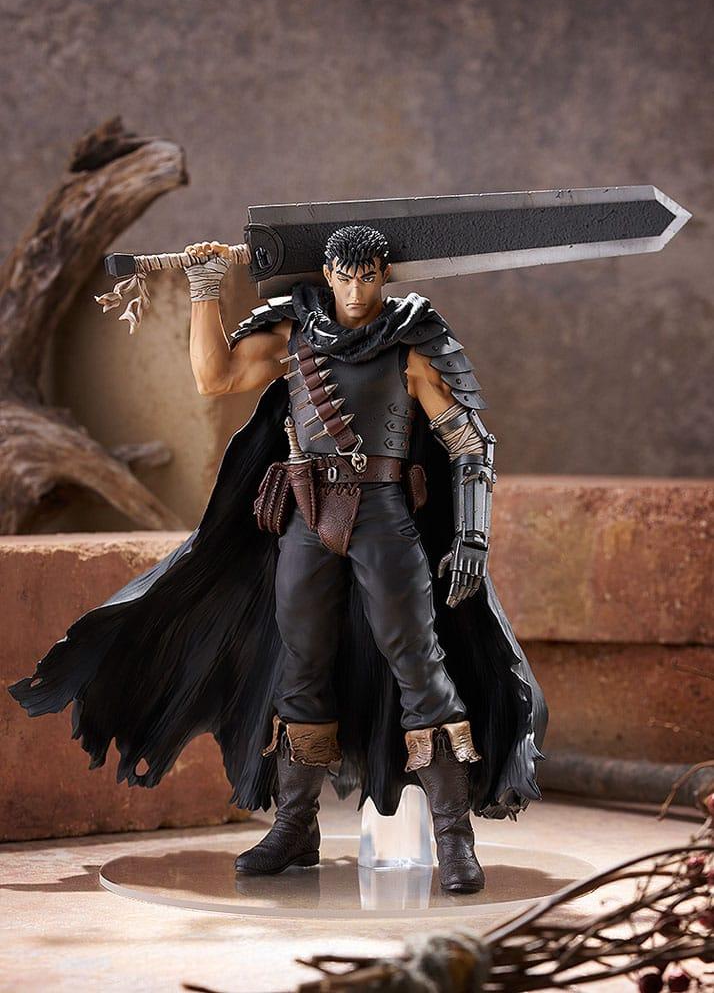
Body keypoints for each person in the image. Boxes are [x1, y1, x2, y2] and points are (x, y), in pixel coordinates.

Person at [9, 225, 547, 896]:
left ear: (383, 273)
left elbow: (469, 444)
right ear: (328, 272)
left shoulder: (411, 340)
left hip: (383, 512)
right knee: (300, 664)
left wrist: (470, 537)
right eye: (344, 277)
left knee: (417, 662)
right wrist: (205, 289)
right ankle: (295, 827)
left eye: (367, 277)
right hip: (306, 513)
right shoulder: (296, 332)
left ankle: (454, 837)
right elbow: (215, 378)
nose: (356, 291)